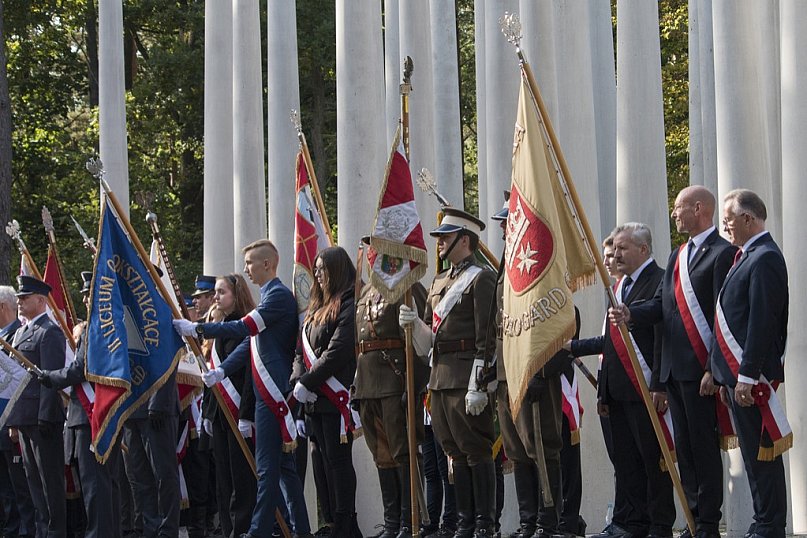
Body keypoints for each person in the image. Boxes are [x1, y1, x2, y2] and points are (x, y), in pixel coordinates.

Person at [610, 186, 735, 538]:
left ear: (700, 209)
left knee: (703, 447)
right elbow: (664, 311)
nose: (674, 214)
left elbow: (720, 317)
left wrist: (714, 367)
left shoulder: (721, 254)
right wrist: (631, 312)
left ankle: (709, 521)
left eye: (680, 208)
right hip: (674, 371)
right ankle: (693, 518)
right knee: (686, 450)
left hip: (701, 370)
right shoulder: (679, 255)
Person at [175, 239, 311, 538]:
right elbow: (250, 346)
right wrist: (222, 370)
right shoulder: (268, 298)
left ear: (267, 264)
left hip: (271, 394)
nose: (246, 269)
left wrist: (198, 328)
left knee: (266, 470)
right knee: (284, 471)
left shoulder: (278, 297)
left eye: (250, 263)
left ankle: (257, 532)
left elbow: (242, 329)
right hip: (267, 393)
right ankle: (301, 530)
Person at [569, 223, 674, 538]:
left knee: (652, 462)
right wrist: (571, 348)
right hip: (616, 390)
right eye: (613, 250)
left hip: (644, 389)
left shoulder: (659, 279)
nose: (615, 255)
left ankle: (658, 525)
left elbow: (661, 335)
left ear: (643, 249)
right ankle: (631, 522)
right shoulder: (620, 287)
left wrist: (658, 384)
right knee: (626, 462)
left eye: (623, 248)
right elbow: (610, 342)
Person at [399, 207, 498, 538]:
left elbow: (487, 335)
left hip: (466, 375)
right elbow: (429, 342)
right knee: (453, 454)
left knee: (476, 451)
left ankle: (485, 523)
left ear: (465, 240)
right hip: (439, 378)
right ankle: (465, 521)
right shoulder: (441, 280)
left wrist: (480, 384)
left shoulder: (482, 278)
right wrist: (414, 326)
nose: (439, 242)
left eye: (446, 236)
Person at [489, 199, 574, 538]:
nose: (501, 229)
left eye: (507, 222)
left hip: (533, 369)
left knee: (541, 445)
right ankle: (528, 521)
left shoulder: (538, 264)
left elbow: (559, 320)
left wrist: (542, 369)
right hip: (507, 373)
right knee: (517, 450)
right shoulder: (507, 265)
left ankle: (548, 520)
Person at [708, 189, 789, 538]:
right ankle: (763, 521)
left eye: (729, 218)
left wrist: (746, 374)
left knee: (763, 457)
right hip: (738, 376)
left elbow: (761, 321)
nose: (725, 225)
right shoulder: (746, 256)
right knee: (754, 460)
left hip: (751, 376)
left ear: (748, 218)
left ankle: (770, 525)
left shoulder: (765, 257)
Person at [38, 271, 122, 538]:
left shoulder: (95, 328)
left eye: (89, 294)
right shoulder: (110, 325)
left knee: (95, 484)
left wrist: (48, 377)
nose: (85, 298)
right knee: (105, 482)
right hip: (96, 414)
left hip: (90, 416)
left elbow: (79, 370)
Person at [354, 236, 428, 538]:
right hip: (368, 385)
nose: (369, 255)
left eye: (374, 250)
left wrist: (414, 385)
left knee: (402, 453)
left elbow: (419, 344)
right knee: (381, 456)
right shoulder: (367, 292)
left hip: (394, 380)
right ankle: (393, 522)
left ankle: (413, 521)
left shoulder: (407, 287)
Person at [290, 246, 361, 537]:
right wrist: (299, 379)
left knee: (338, 461)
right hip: (313, 399)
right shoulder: (315, 308)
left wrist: (307, 381)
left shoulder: (348, 301)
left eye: (322, 269)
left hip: (335, 396)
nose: (317, 274)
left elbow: (339, 350)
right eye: (316, 269)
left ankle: (346, 523)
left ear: (337, 270)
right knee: (320, 463)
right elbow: (299, 351)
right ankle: (331, 520)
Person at [7, 275, 67, 537]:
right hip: (23, 416)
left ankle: (55, 532)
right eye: (18, 298)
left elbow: (50, 378)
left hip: (43, 420)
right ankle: (42, 531)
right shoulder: (21, 331)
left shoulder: (50, 332)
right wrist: (12, 419)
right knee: (33, 483)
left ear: (41, 300)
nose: (19, 302)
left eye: (25, 298)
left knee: (49, 483)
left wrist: (45, 416)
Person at [202, 274, 257, 538]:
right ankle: (227, 529)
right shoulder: (220, 326)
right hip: (219, 412)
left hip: (238, 412)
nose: (216, 297)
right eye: (215, 292)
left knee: (241, 479)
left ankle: (241, 529)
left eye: (221, 292)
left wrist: (246, 414)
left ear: (236, 294)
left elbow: (249, 376)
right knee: (223, 480)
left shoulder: (245, 326)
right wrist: (205, 413)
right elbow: (209, 372)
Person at [0, 285, 36, 538]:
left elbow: (22, 382)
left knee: (19, 487)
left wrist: (13, 421)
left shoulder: (16, 336)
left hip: (13, 421)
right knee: (4, 488)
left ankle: (24, 532)